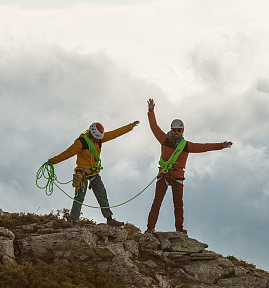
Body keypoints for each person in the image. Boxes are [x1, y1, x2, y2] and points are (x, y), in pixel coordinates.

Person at [145, 98, 232, 234]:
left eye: (179, 130)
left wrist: (221, 145)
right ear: (171, 129)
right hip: (164, 174)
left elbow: (203, 147)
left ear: (183, 131)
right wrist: (151, 111)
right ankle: (150, 228)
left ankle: (179, 229)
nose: (176, 132)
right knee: (157, 201)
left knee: (178, 204)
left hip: (177, 175)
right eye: (174, 130)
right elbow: (154, 127)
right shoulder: (164, 139)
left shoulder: (185, 145)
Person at [46, 120, 139, 226]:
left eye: (98, 139)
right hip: (82, 173)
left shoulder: (99, 139)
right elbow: (68, 153)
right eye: (95, 138)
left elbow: (114, 133)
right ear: (91, 134)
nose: (97, 141)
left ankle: (109, 220)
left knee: (102, 194)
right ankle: (73, 221)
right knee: (79, 197)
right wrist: (52, 161)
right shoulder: (81, 143)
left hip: (94, 172)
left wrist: (130, 126)